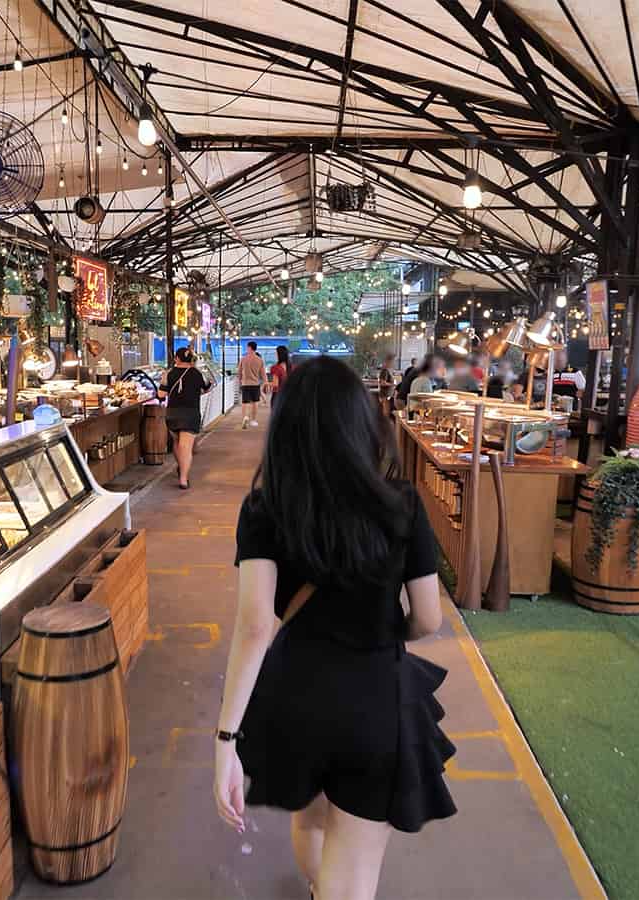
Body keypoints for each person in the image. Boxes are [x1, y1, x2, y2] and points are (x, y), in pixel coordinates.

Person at [214, 356, 455, 900]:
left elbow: (255, 628)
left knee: (312, 819)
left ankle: (315, 887)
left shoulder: (264, 508)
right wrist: (390, 631)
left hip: (294, 698)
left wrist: (225, 740)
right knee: (355, 870)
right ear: (362, 423)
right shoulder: (402, 505)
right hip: (376, 699)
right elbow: (429, 617)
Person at [158, 346, 212, 489]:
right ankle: (183, 478)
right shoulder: (197, 373)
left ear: (177, 358)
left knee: (177, 442)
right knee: (186, 446)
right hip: (191, 412)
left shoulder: (168, 374)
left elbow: (161, 395)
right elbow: (207, 388)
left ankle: (181, 467)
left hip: (173, 413)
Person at [238, 340, 267, 428]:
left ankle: (244, 417)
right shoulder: (259, 360)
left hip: (245, 383)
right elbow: (263, 374)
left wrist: (240, 380)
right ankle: (253, 420)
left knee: (244, 402)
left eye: (247, 347)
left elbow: (239, 372)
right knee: (255, 402)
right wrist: (265, 383)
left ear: (250, 348)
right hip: (255, 384)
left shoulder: (243, 359)